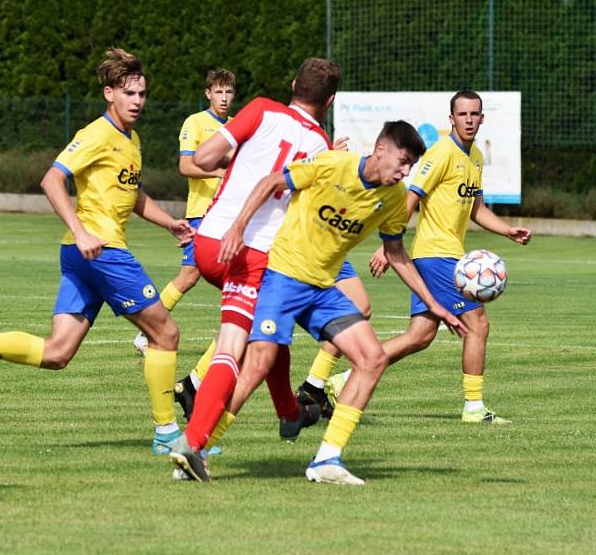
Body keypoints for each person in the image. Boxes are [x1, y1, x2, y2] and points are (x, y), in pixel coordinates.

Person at [0, 48, 194, 455]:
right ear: (109, 94)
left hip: (86, 257)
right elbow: (51, 180)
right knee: (165, 333)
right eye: (129, 93)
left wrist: (168, 221)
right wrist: (81, 232)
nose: (138, 101)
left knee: (58, 353)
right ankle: (167, 432)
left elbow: (132, 195)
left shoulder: (131, 140)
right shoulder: (96, 134)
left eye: (142, 93)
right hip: (102, 253)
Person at [171, 121, 468, 483]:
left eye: (409, 166)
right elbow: (269, 183)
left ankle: (327, 459)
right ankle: (199, 448)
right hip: (281, 276)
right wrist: (237, 228)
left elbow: (396, 253)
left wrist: (433, 304)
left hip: (323, 289)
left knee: (372, 359)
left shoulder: (392, 198)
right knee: (258, 364)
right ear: (380, 150)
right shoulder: (332, 164)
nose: (404, 172)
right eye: (402, 162)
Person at [165, 57, 347, 472]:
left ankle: (289, 412)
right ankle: (192, 444)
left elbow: (204, 159)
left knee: (270, 327)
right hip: (251, 253)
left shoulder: (261, 107)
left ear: (294, 82)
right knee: (235, 346)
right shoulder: (320, 145)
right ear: (330, 101)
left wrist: (245, 157)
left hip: (209, 240)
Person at [315, 90, 532, 424]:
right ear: (451, 119)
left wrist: (506, 231)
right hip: (435, 254)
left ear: (482, 117)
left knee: (420, 337)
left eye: (475, 114)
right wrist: (390, 244)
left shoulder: (473, 158)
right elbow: (411, 197)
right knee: (479, 324)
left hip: (447, 255)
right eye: (463, 115)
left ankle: (344, 379)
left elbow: (476, 209)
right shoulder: (443, 152)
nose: (470, 120)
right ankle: (474, 407)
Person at [133, 68, 236, 367]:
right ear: (208, 93)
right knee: (190, 276)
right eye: (219, 91)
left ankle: (232, 336)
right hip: (201, 214)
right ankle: (147, 331)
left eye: (229, 91)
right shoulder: (195, 122)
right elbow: (186, 166)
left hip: (227, 215)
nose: (224, 97)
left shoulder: (234, 127)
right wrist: (218, 170)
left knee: (206, 277)